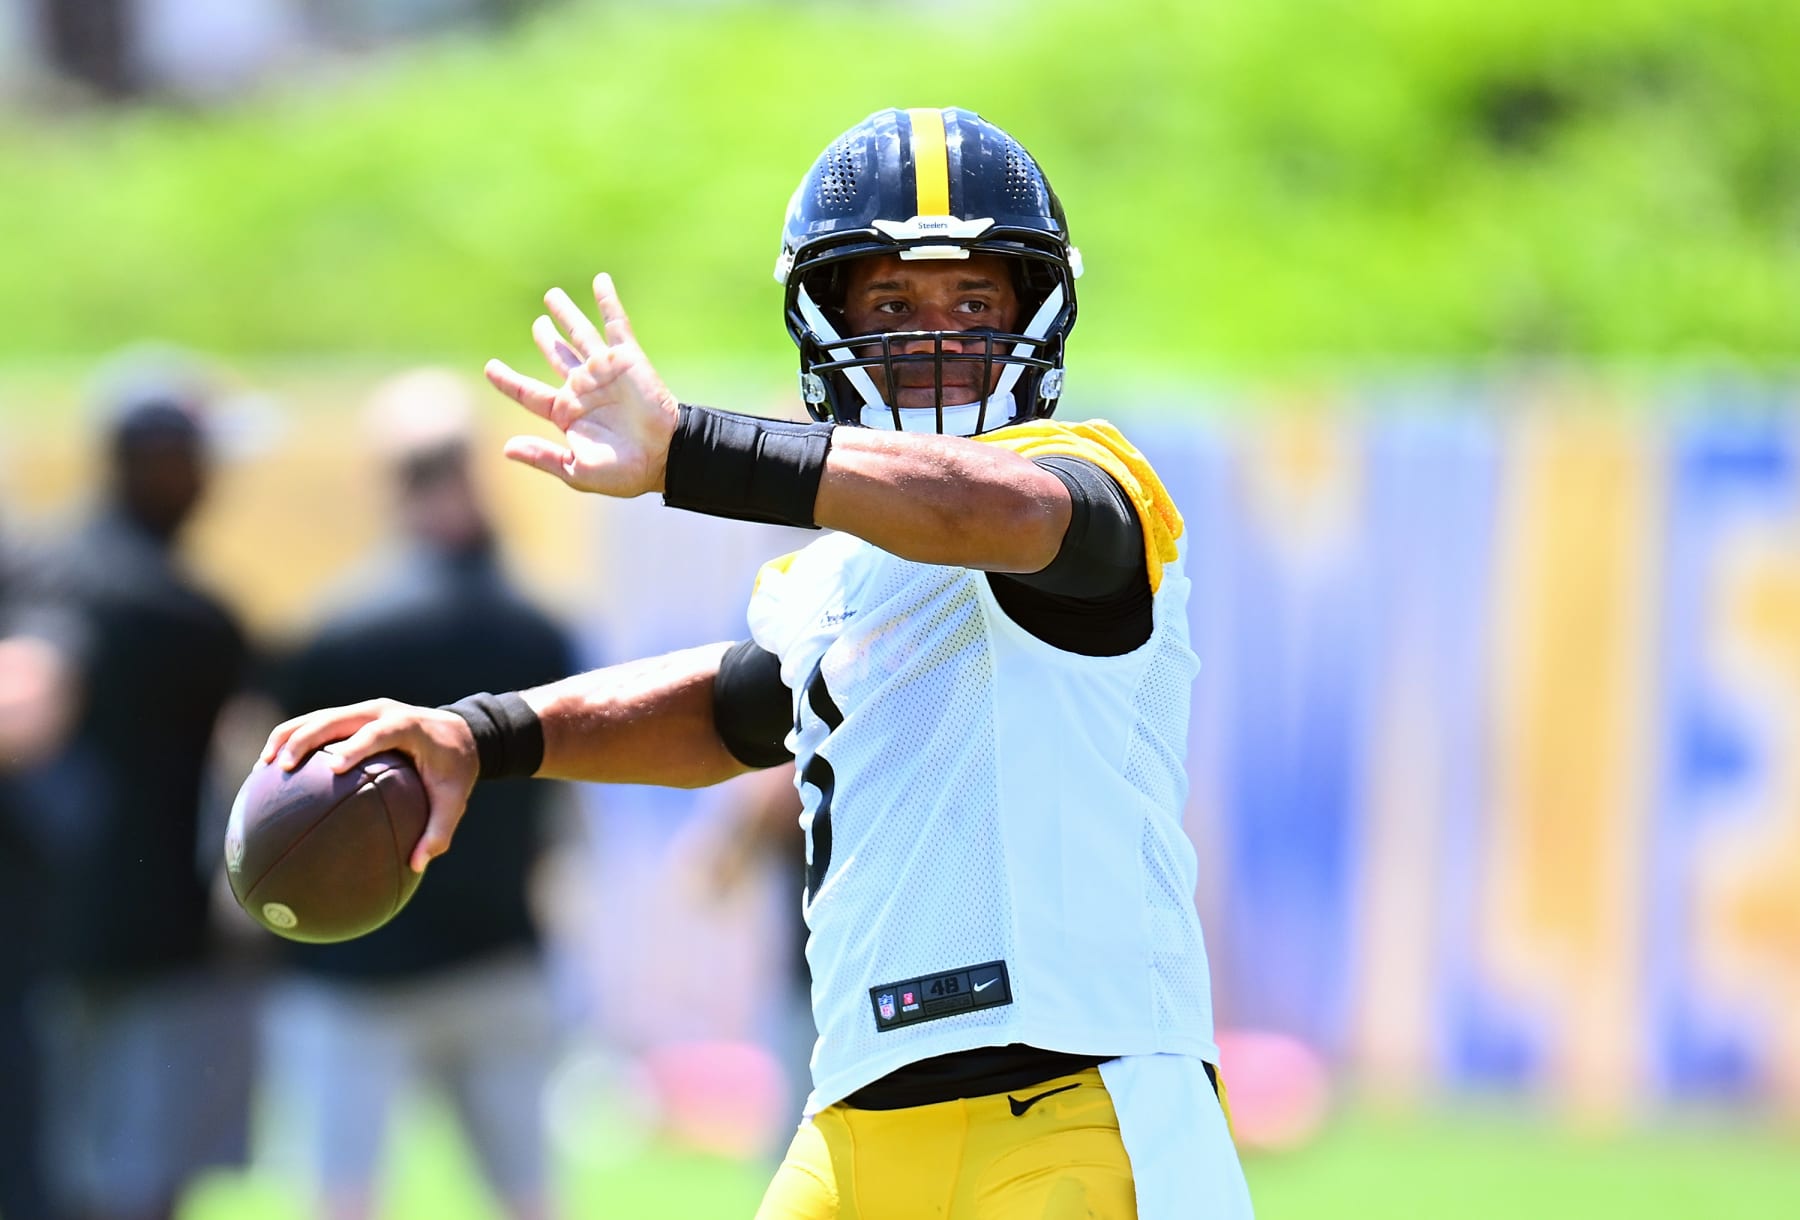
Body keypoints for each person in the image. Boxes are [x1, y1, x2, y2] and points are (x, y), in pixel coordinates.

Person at [265, 107, 1252, 1219]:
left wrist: (690, 448)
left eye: (975, 302)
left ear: (1040, 314)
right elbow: (725, 708)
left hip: (1077, 1104)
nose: (936, 334)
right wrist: (480, 732)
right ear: (824, 325)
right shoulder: (839, 582)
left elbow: (989, 512)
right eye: (889, 302)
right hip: (856, 1117)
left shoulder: (1085, 484)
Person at [262, 369, 579, 1220]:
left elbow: (270, 786)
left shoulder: (341, 627)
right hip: (496, 949)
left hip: (357, 963)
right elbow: (567, 808)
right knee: (529, 1198)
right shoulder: (535, 624)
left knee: (343, 1198)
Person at [37, 376, 255, 1220]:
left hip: (34, 931)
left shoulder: (39, 578)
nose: (209, 479)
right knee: (140, 1180)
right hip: (153, 940)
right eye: (197, 460)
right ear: (161, 464)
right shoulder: (188, 616)